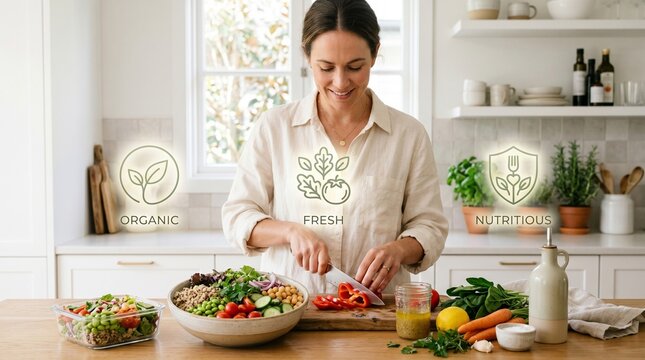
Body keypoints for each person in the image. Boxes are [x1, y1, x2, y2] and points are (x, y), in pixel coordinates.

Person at [222, 0, 447, 295]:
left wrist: (400, 250)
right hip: (291, 312)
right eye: (326, 67)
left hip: (380, 315)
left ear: (375, 53)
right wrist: (290, 232)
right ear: (307, 56)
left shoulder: (409, 135)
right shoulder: (274, 128)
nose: (340, 82)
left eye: (355, 67)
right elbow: (238, 215)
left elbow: (429, 225)